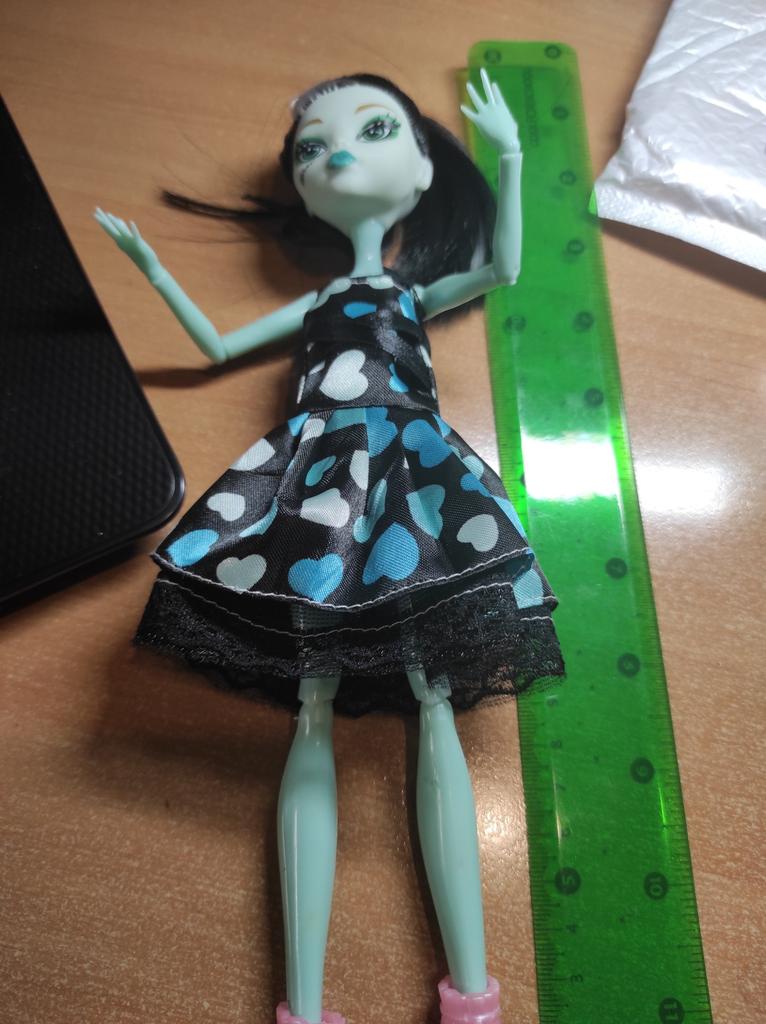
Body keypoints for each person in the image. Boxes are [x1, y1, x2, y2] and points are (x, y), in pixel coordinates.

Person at [96, 68, 564, 1024]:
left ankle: (471, 995)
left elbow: (506, 267)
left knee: (431, 694)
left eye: (373, 130)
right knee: (319, 696)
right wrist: (152, 268)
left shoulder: (412, 290)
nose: (338, 152)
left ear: (424, 168)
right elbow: (217, 346)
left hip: (409, 470)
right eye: (313, 148)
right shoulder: (318, 307)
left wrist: (513, 154)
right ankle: (303, 1007)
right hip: (316, 477)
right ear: (303, 190)